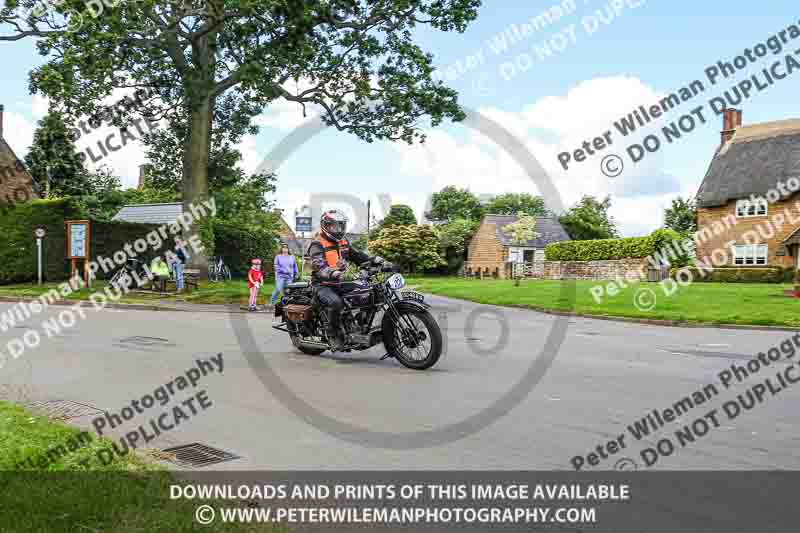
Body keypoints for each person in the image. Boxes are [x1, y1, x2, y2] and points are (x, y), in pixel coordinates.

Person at [307, 210, 389, 351]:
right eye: (335, 226)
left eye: (341, 226)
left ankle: (359, 324)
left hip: (340, 281)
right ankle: (333, 335)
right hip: (322, 284)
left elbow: (357, 256)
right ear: (325, 226)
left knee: (368, 292)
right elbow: (319, 265)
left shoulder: (343, 241)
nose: (338, 229)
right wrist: (334, 273)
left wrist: (375, 260)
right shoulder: (317, 244)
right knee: (335, 303)